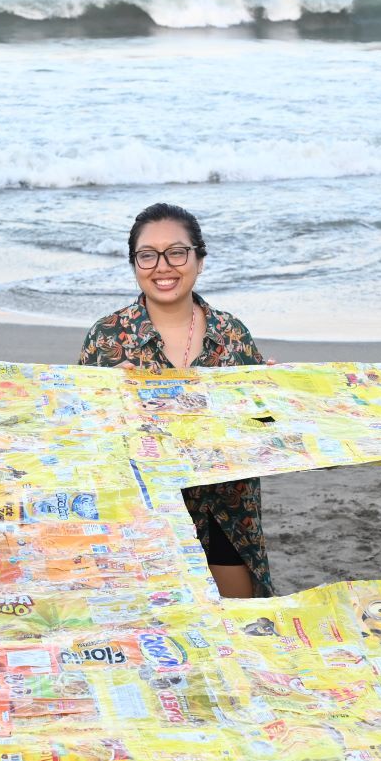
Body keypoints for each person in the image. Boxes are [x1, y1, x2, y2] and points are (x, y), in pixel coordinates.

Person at [76, 202, 273, 598]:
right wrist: (106, 399)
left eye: (177, 252)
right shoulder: (108, 338)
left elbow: (262, 431)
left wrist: (271, 397)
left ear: (199, 259)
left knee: (237, 628)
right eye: (147, 255)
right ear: (134, 264)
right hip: (143, 515)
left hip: (225, 513)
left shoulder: (232, 334)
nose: (162, 266)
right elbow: (81, 437)